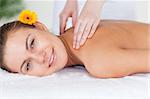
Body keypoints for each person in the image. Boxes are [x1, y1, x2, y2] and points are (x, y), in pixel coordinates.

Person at [0, 10, 149, 78]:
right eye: (27, 65)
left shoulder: (99, 62)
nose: (40, 58)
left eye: (32, 43)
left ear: (41, 27)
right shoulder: (77, 29)